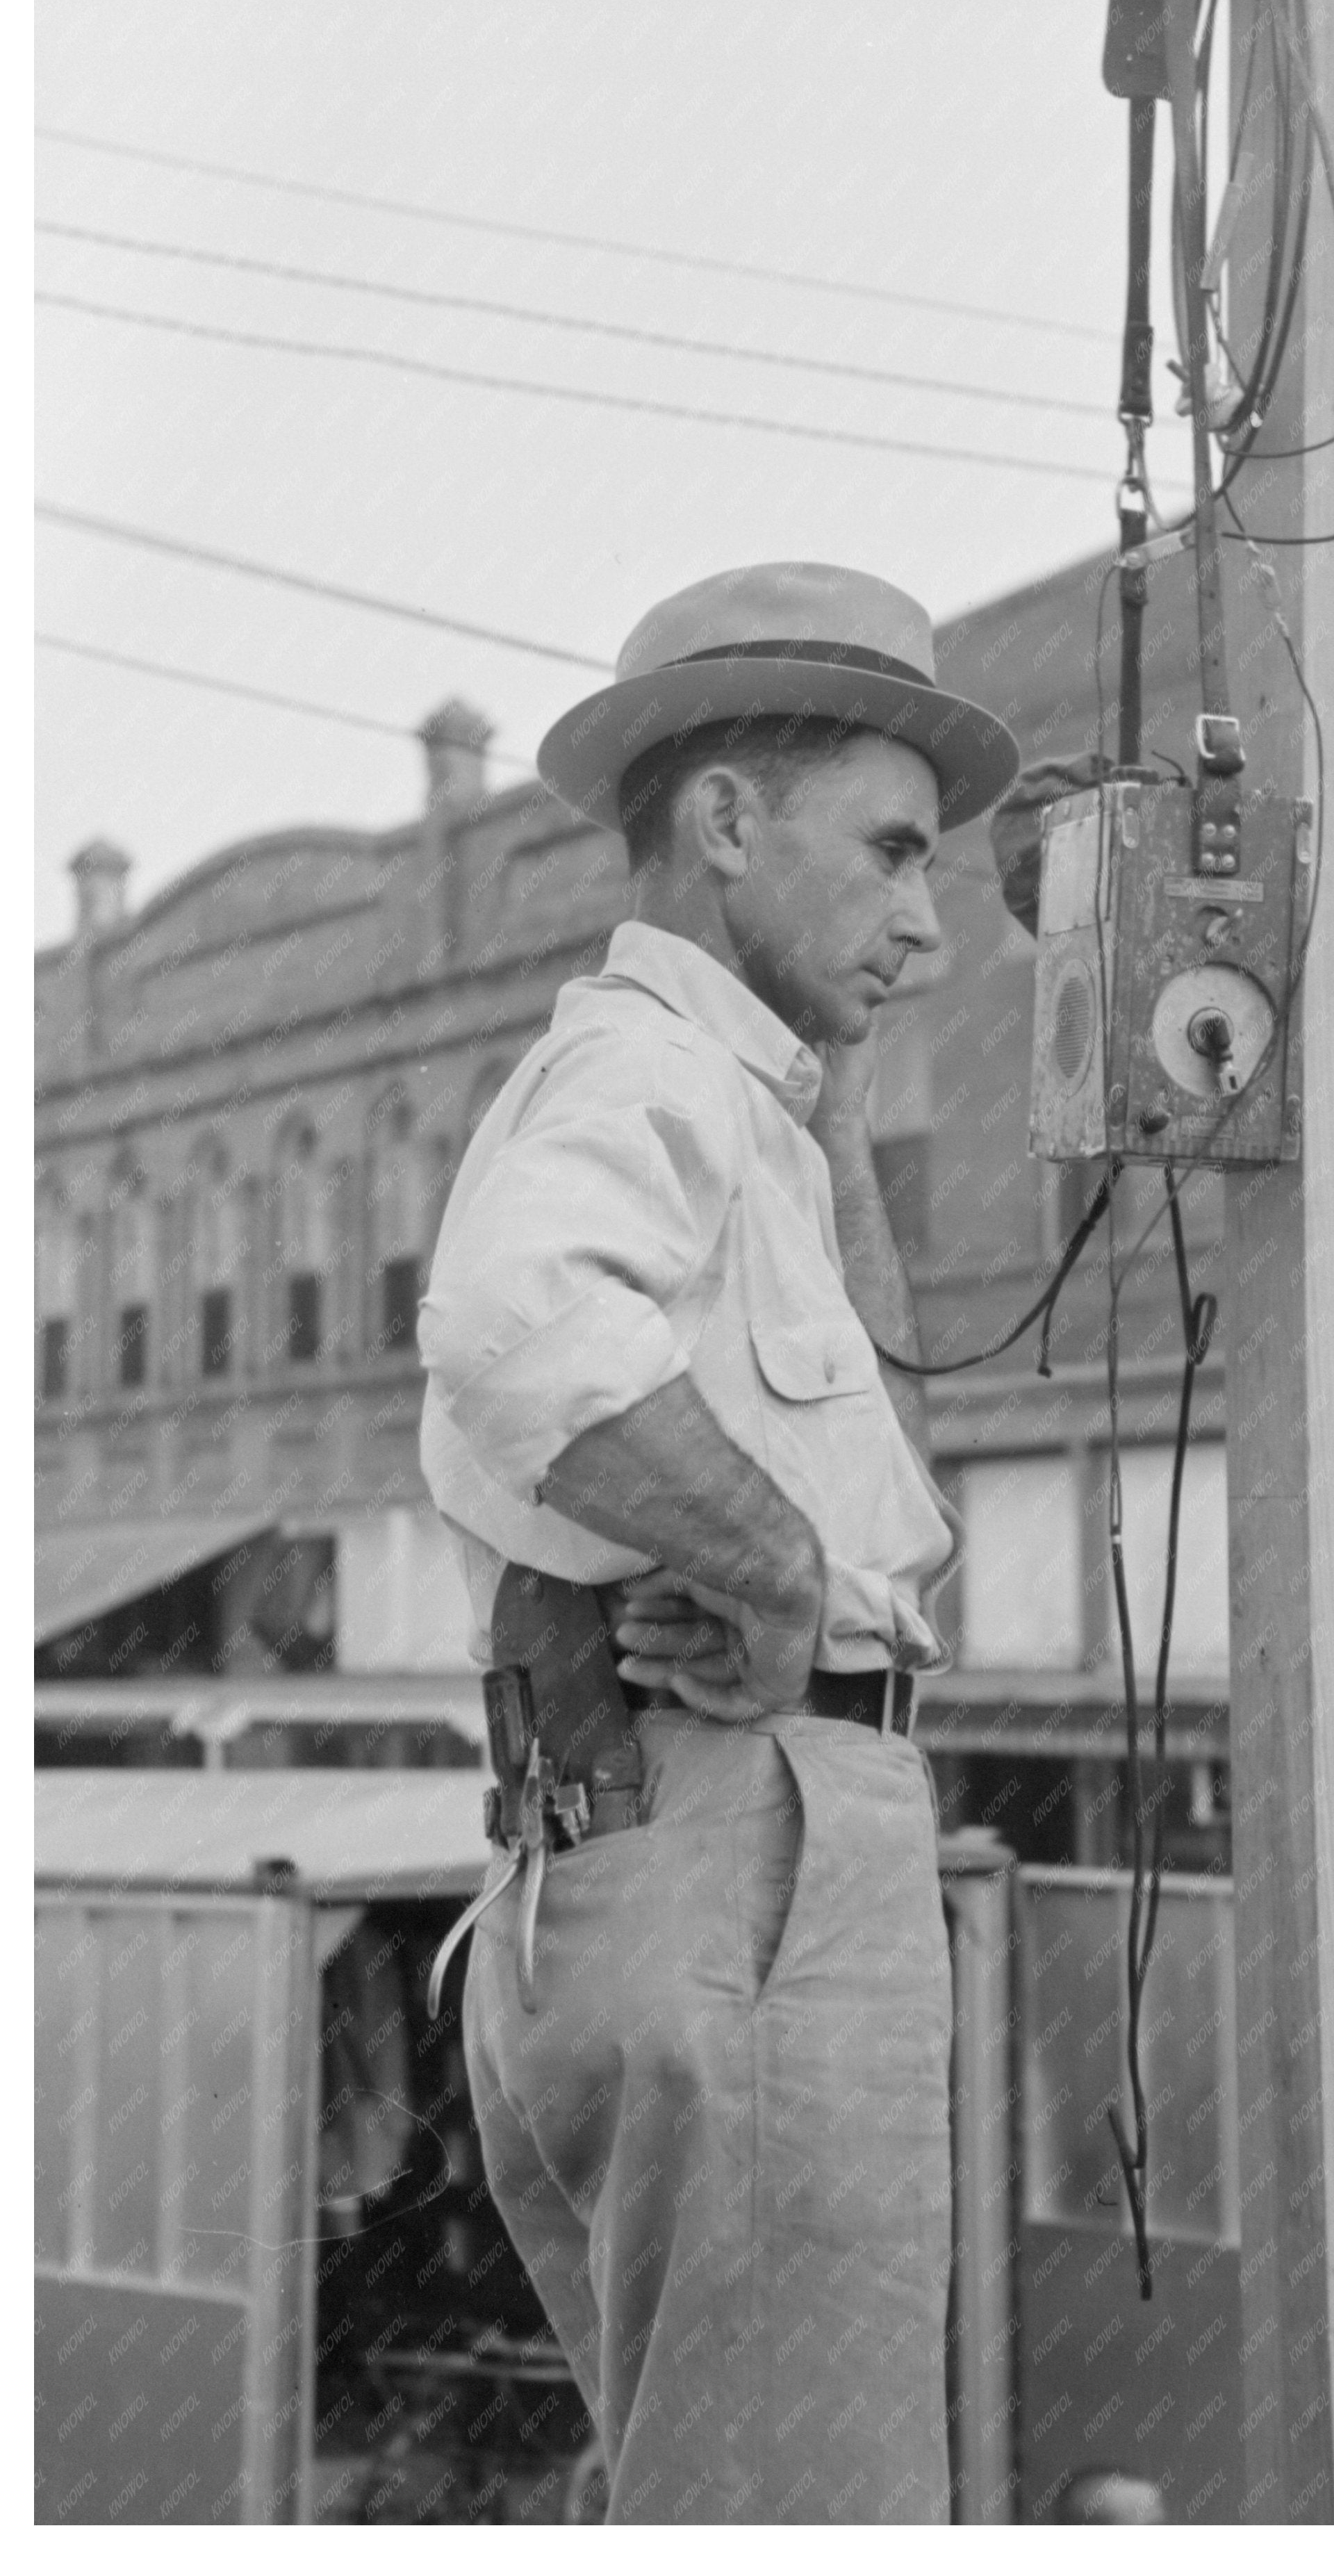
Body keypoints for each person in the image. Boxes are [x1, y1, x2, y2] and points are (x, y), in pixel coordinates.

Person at [416, 561, 1020, 2525]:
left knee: (734, 2498)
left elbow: (893, 1519)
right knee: (806, 2522)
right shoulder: (649, 1066)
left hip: (684, 1831)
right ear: (727, 823)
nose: (927, 923)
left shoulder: (735, 1099)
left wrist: (831, 1125)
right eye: (894, 854)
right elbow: (515, 1319)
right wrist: (766, 1577)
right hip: (734, 1825)